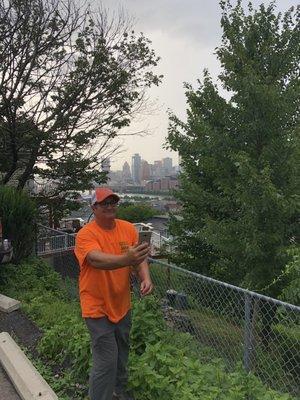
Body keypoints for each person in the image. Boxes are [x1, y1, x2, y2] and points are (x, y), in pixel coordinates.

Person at [74, 187, 153, 400]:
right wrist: (126, 260)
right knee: (106, 360)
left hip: (121, 304)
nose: (110, 206)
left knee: (122, 354)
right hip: (96, 306)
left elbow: (140, 257)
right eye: (104, 203)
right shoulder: (86, 234)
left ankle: (119, 391)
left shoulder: (128, 229)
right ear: (94, 207)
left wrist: (145, 277)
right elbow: (95, 259)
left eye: (113, 202)